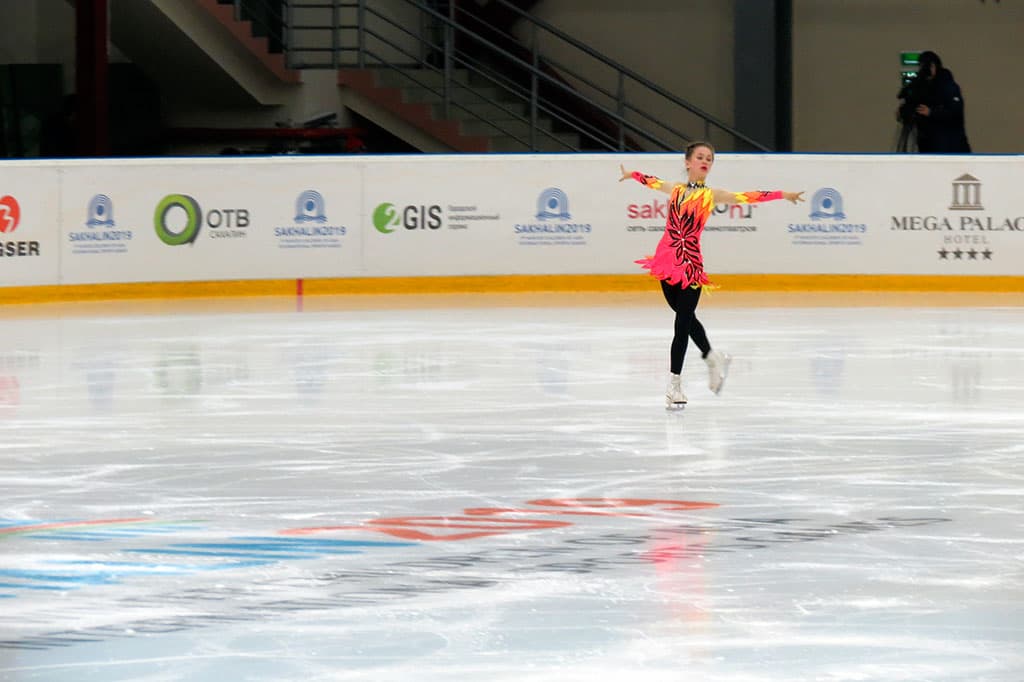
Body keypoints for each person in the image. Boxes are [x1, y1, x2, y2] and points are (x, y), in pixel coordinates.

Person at [619, 141, 804, 409]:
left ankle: (674, 384)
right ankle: (712, 356)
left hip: (691, 265)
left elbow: (748, 197)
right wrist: (632, 174)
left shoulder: (712, 195)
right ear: (688, 162)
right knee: (685, 316)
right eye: (700, 157)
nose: (705, 161)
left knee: (682, 323)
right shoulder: (675, 189)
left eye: (709, 158)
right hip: (666, 260)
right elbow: (651, 181)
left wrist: (782, 194)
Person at [897, 51, 971, 154]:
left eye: (926, 66)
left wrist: (931, 112)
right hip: (928, 145)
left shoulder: (948, 86)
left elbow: (955, 112)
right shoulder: (922, 88)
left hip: (950, 147)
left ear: (933, 66)